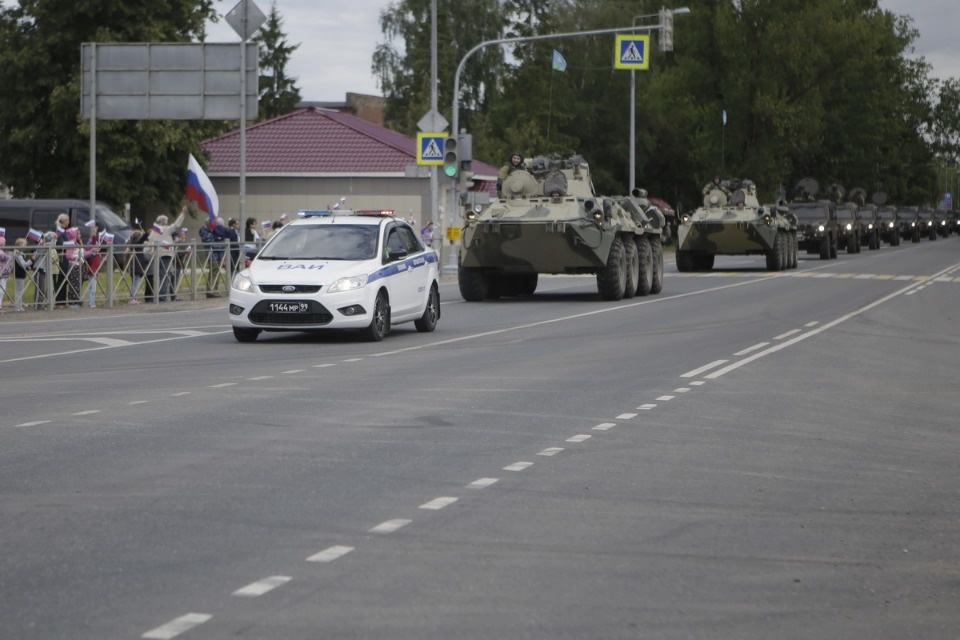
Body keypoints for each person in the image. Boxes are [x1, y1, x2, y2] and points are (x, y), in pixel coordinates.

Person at [148, 205, 187, 302]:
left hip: (156, 255)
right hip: (165, 255)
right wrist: (183, 213)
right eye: (167, 222)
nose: (168, 223)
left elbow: (152, 242)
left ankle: (158, 295)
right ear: (163, 222)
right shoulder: (165, 229)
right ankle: (162, 296)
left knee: (159, 276)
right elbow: (177, 225)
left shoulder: (154, 231)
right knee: (164, 276)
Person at [82, 223, 103, 308]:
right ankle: (90, 303)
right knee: (92, 288)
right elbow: (94, 241)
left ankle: (92, 302)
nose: (99, 245)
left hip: (95, 272)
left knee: (94, 289)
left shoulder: (98, 254)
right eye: (97, 244)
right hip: (92, 272)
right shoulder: (93, 252)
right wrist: (94, 232)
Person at [62, 227, 83, 309]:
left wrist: (92, 251)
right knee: (73, 285)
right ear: (74, 235)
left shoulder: (77, 244)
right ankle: (72, 302)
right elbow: (68, 256)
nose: (80, 235)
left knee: (77, 285)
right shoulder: (71, 244)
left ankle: (76, 301)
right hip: (73, 267)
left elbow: (84, 253)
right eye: (79, 234)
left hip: (78, 266)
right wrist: (77, 258)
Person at [13, 237, 33, 312]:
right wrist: (31, 260)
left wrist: (28, 267)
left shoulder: (21, 254)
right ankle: (17, 306)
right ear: (20, 245)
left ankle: (20, 305)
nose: (25, 246)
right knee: (19, 290)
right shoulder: (18, 254)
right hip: (19, 274)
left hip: (21, 274)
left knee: (20, 290)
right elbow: (23, 264)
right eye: (24, 244)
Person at [0, 235, 8, 313]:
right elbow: (6, 258)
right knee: (1, 290)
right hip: (2, 273)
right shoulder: (1, 252)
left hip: (2, 273)